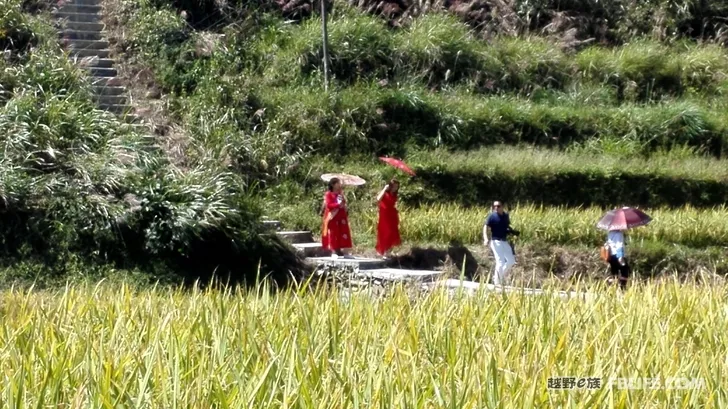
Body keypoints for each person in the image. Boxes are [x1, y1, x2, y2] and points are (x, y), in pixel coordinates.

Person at [483, 201, 517, 286]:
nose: (496, 208)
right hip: (496, 242)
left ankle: (498, 277)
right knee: (500, 262)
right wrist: (486, 238)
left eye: (498, 206)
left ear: (502, 206)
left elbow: (506, 226)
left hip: (504, 241)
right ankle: (497, 282)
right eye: (494, 206)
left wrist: (511, 231)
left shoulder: (505, 216)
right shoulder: (492, 216)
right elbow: (485, 227)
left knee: (511, 261)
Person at [321, 178, 353, 258]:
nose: (339, 185)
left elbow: (343, 203)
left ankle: (345, 252)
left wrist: (343, 201)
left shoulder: (340, 194)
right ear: (333, 185)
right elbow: (329, 205)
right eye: (338, 183)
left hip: (342, 216)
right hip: (333, 216)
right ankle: (333, 252)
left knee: (344, 233)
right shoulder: (329, 194)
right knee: (333, 233)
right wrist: (338, 205)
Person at [375, 179, 401, 259]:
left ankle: (388, 251)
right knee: (385, 232)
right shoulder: (385, 193)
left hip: (392, 214)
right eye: (394, 186)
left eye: (397, 186)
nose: (395, 188)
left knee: (392, 233)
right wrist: (384, 189)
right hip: (384, 214)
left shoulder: (394, 194)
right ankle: (383, 251)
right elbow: (378, 199)